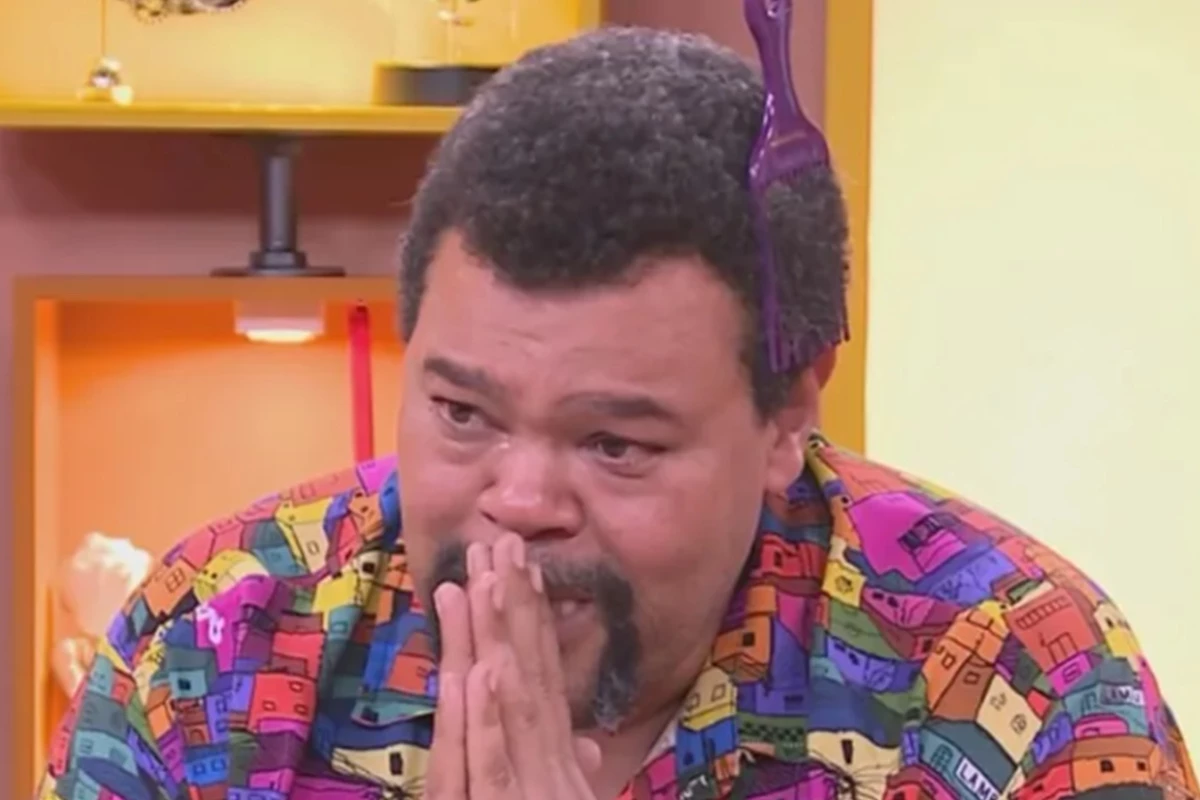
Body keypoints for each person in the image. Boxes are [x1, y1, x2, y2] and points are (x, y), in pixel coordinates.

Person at [38, 26, 1196, 800]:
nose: (519, 501)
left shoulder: (1018, 677)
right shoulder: (209, 646)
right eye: (462, 411)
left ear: (788, 408)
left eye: (615, 442)